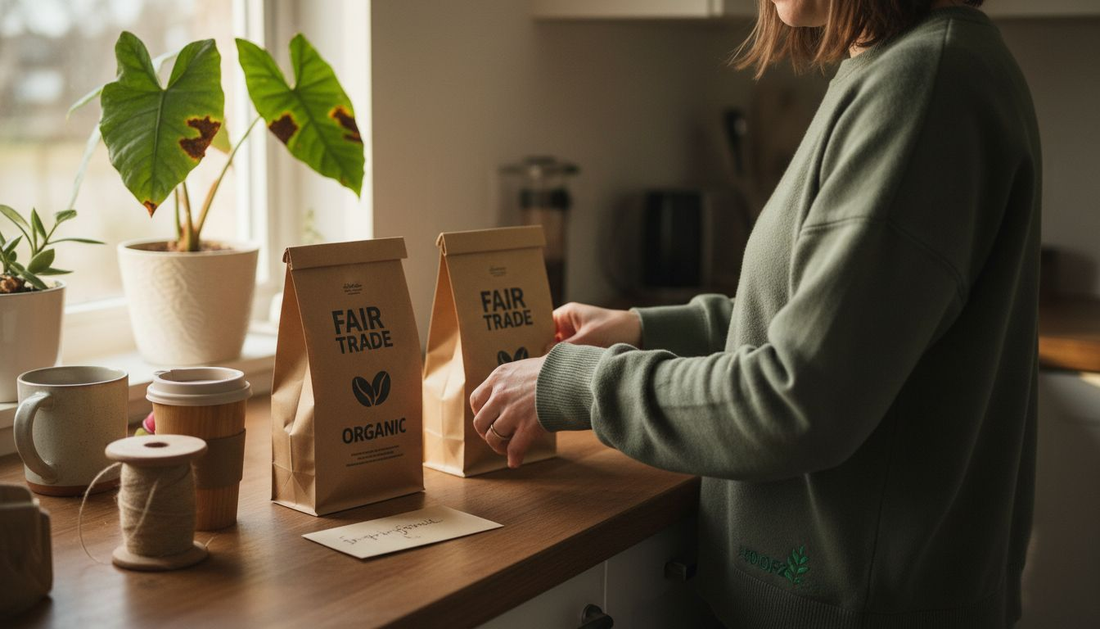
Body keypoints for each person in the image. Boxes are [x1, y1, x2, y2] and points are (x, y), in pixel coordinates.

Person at [471, 0, 1041, 626]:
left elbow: (796, 402)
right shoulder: (905, 65)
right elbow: (825, 319)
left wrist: (581, 385)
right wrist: (645, 328)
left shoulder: (925, 86)